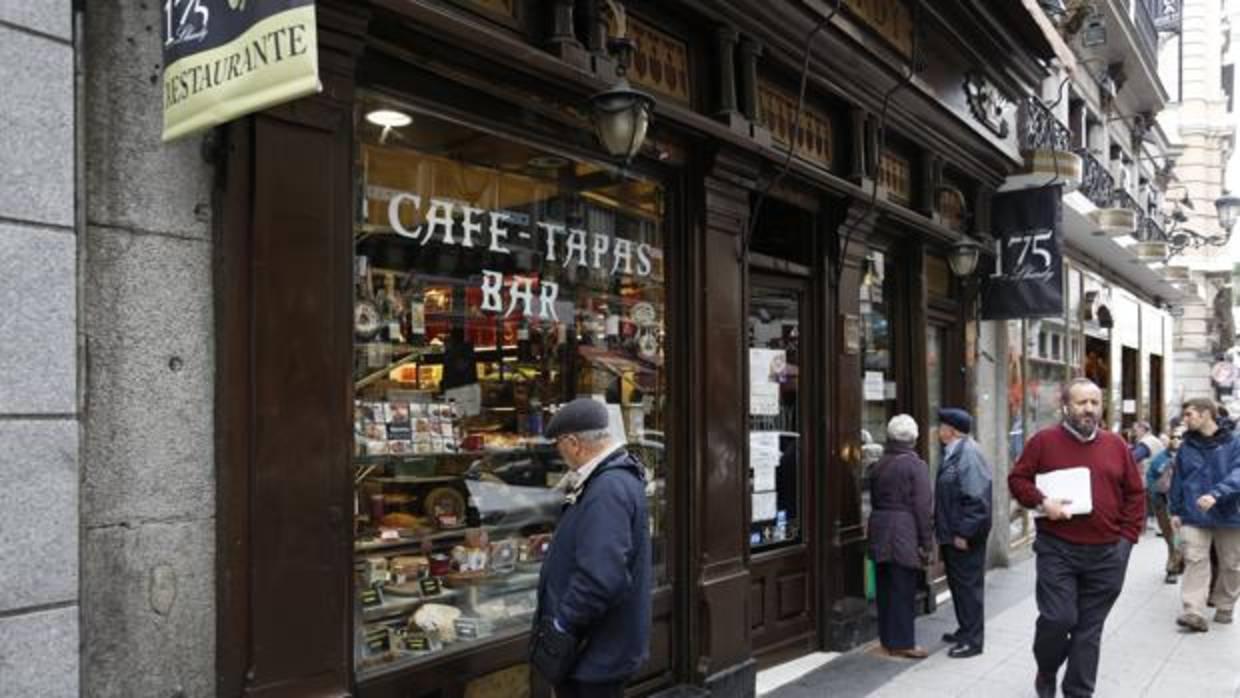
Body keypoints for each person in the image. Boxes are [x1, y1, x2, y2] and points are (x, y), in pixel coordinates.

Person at [1009, 378, 1145, 698]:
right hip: (1058, 549)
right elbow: (1017, 480)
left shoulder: (1116, 445)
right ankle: (1046, 669)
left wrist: (1125, 542)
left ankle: (1078, 692)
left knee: (1088, 633)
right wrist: (1043, 502)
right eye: (1082, 402)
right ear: (1066, 407)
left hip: (1108, 554)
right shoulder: (1043, 442)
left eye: (1095, 403)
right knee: (1058, 619)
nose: (1089, 409)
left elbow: (1136, 495)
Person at [531, 398, 652, 697]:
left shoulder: (608, 488)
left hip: (594, 656)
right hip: (599, 651)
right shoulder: (613, 478)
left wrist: (562, 625)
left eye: (559, 443)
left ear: (574, 443)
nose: (560, 453)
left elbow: (600, 577)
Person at [1168, 397, 1240, 632]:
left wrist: (1217, 494)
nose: (1184, 419)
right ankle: (1193, 611)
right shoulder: (1186, 445)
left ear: (1206, 414)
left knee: (1231, 564)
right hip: (1193, 512)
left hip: (1229, 513)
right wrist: (1175, 510)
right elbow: (1178, 478)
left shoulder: (1235, 441)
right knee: (1195, 559)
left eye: (1189, 414)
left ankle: (1225, 605)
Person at [866, 414, 934, 660]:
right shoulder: (916, 466)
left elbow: (873, 498)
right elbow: (923, 507)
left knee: (885, 586)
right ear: (914, 439)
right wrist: (927, 543)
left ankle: (887, 640)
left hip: (880, 526)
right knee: (903, 587)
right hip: (903, 530)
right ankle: (903, 643)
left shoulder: (879, 464)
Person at [934, 407, 993, 659]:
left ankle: (973, 640)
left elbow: (977, 501)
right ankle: (965, 629)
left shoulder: (968, 454)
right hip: (952, 534)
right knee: (959, 586)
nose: (938, 429)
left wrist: (963, 533)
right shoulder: (954, 453)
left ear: (952, 431)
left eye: (942, 425)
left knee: (969, 588)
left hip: (963, 538)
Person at [1145, 429, 1184, 583]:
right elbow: (1150, 477)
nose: (1176, 439)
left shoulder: (1189, 456)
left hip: (1183, 504)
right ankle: (1175, 564)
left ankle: (1173, 568)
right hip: (1163, 502)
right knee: (1171, 537)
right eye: (1173, 437)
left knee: (1178, 537)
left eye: (1180, 437)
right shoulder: (1161, 457)